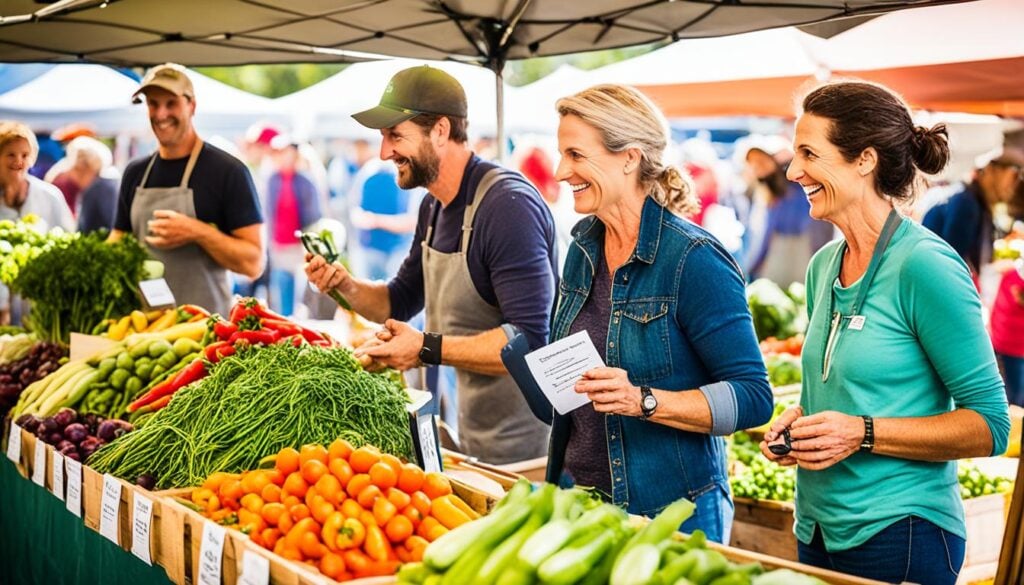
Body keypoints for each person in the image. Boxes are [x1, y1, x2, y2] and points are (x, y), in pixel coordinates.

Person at [760, 81, 1010, 585]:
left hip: (902, 534)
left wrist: (861, 432)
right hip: (816, 528)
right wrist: (803, 425)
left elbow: (991, 426)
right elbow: (850, 387)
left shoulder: (925, 265)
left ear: (864, 160)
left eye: (810, 153)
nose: (792, 171)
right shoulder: (823, 265)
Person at [532, 84, 772, 542]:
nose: (562, 171)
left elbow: (753, 397)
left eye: (576, 155)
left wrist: (643, 400)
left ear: (629, 157)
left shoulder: (694, 259)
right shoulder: (582, 246)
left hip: (668, 517)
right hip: (576, 504)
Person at [306, 65, 557, 464]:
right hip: (463, 431)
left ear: (440, 131)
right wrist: (345, 285)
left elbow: (528, 342)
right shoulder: (433, 206)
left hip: (525, 449)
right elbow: (400, 301)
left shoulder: (508, 207)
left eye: (395, 135)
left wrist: (425, 347)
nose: (384, 152)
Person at [108, 63, 264, 317]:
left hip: (208, 332)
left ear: (192, 106)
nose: (161, 114)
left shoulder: (228, 171)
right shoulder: (135, 173)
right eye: (153, 104)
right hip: (144, 332)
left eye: (171, 103)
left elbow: (253, 263)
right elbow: (117, 244)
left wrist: (198, 232)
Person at [0, 120, 76, 325]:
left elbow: (69, 242)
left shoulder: (50, 196)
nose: (18, 161)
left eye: (25, 155)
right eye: (10, 154)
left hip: (42, 303)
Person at [741, 137, 833, 285]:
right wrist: (753, 267)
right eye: (754, 164)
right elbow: (765, 234)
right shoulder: (767, 193)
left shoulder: (798, 183)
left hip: (805, 250)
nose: (758, 167)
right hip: (779, 252)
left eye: (762, 161)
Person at [923, 146, 1024, 277]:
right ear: (992, 171)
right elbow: (953, 265)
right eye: (1014, 175)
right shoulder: (966, 204)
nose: (1014, 185)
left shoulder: (975, 201)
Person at [266, 136, 323, 316]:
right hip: (278, 243)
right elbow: (268, 211)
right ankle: (283, 317)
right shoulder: (272, 180)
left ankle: (293, 319)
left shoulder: (305, 182)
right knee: (280, 285)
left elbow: (314, 215)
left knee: (298, 291)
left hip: (298, 245)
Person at [62, 136, 119, 233]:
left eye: (76, 169)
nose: (72, 175)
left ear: (85, 168)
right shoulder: (103, 185)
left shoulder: (99, 188)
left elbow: (110, 225)